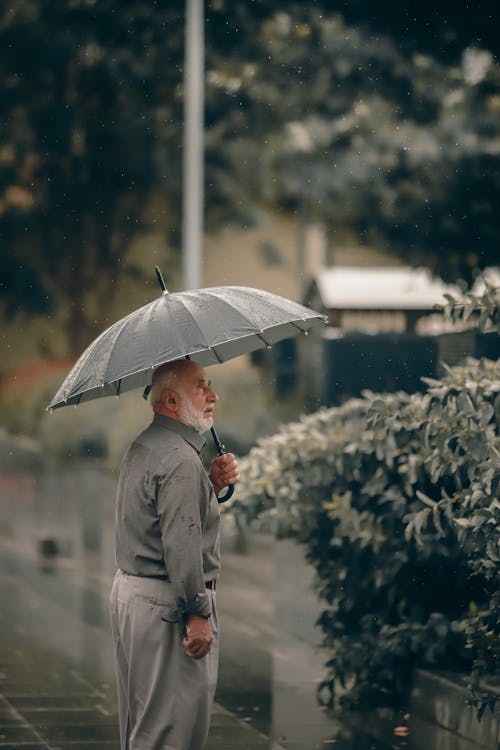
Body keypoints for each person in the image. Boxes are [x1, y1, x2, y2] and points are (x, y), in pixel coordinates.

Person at [109, 359, 239, 750]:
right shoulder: (181, 459)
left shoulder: (145, 445)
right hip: (168, 605)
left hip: (135, 597)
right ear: (169, 399)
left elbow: (156, 519)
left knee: (145, 726)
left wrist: (209, 487)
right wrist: (197, 613)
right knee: (171, 734)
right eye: (201, 386)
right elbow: (180, 545)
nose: (212, 395)